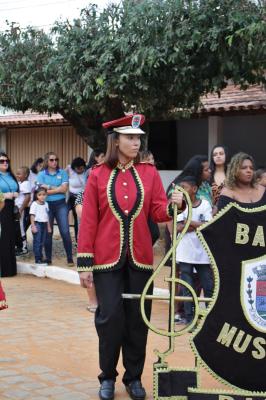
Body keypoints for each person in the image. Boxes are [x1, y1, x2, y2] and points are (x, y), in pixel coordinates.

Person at [77, 114, 184, 400]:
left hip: (140, 260)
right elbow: (88, 221)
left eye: (138, 138)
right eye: (130, 137)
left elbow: (159, 212)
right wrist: (84, 265)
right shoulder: (97, 175)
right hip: (105, 261)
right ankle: (107, 377)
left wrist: (177, 204)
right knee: (110, 318)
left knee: (138, 320)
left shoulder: (149, 173)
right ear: (116, 140)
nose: (137, 142)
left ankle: (133, 377)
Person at [175, 176, 213, 325]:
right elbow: (178, 227)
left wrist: (188, 222)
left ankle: (211, 319)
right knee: (187, 288)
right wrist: (198, 225)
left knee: (208, 286)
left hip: (202, 254)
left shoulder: (205, 204)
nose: (181, 190)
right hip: (185, 254)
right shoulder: (179, 205)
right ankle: (190, 319)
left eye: (184, 187)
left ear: (194, 189)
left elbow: (208, 226)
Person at [36, 152, 74, 266]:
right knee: (48, 232)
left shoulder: (62, 173)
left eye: (56, 159)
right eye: (52, 160)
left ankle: (69, 258)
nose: (54, 162)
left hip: (61, 204)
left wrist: (49, 188)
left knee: (65, 231)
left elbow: (64, 189)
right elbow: (41, 193)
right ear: (47, 161)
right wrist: (57, 188)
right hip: (46, 206)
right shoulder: (41, 174)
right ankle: (48, 258)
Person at [75, 190, 98, 313]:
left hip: (104, 238)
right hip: (86, 237)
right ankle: (93, 301)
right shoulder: (82, 194)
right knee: (88, 268)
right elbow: (81, 213)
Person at [0, 151, 19, 277]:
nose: (5, 163)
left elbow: (17, 190)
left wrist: (14, 195)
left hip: (11, 209)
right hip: (1, 208)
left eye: (7, 161)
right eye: (2, 161)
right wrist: (7, 195)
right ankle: (4, 270)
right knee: (3, 238)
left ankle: (11, 269)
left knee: (11, 238)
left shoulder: (11, 175)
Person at [65, 157, 87, 244]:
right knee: (63, 215)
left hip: (80, 199)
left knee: (77, 219)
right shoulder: (69, 169)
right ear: (74, 168)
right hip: (70, 197)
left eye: (81, 168)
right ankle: (66, 238)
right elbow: (62, 176)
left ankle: (78, 241)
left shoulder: (86, 172)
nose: (80, 170)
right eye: (78, 168)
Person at [30, 187, 51, 266]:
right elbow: (32, 215)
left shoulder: (46, 204)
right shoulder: (34, 204)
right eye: (40, 195)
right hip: (37, 224)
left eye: (44, 194)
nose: (42, 196)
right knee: (37, 242)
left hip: (44, 224)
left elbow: (47, 216)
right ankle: (37, 259)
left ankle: (41, 258)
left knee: (42, 242)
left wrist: (48, 227)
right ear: (36, 195)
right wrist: (33, 226)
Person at [15, 166, 31, 256]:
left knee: (21, 228)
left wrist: (21, 210)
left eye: (19, 174)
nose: (17, 175)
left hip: (20, 209)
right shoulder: (20, 182)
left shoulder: (26, 183)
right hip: (16, 208)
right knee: (17, 228)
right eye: (17, 173)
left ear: (25, 175)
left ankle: (24, 248)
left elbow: (27, 197)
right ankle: (19, 246)